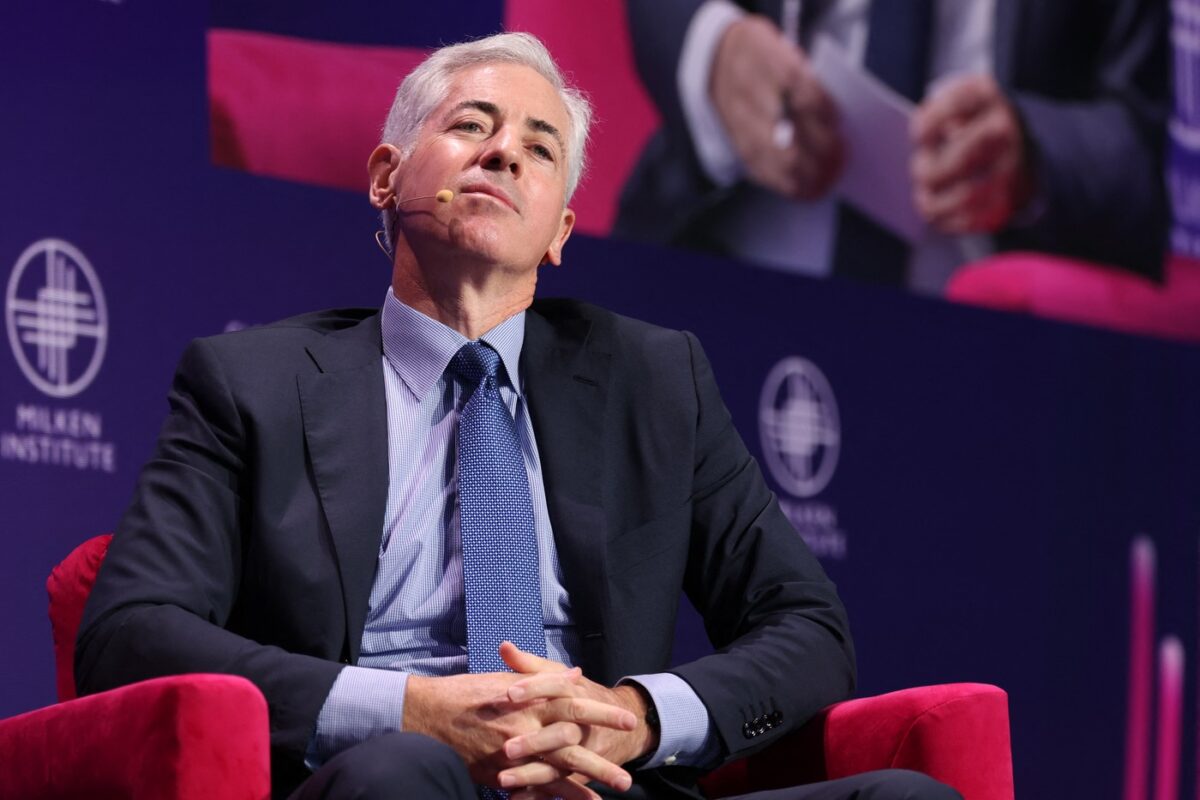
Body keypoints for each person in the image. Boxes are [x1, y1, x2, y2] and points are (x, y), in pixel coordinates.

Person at [76, 32, 960, 800]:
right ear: (386, 177)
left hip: (603, 783)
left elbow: (807, 627)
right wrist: (409, 713)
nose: (505, 154)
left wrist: (634, 716)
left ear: (560, 231)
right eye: (472, 126)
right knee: (403, 775)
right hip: (385, 777)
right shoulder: (253, 385)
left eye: (541, 148)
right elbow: (129, 631)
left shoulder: (656, 382)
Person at [616, 0, 1170, 291]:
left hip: (976, 338)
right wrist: (714, 47)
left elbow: (1138, 157)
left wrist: (1030, 154)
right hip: (713, 269)